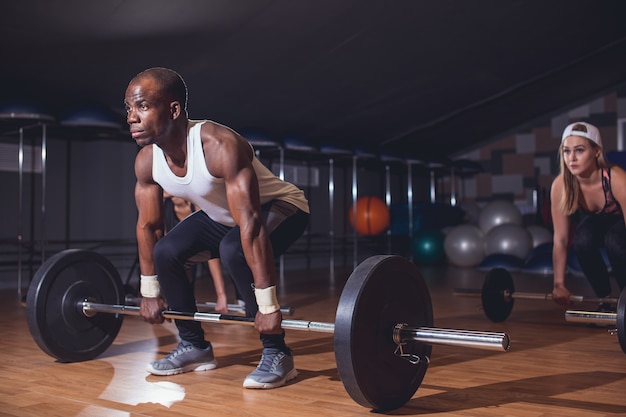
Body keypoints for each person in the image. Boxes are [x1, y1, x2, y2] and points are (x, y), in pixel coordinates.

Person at [125, 67, 310, 388]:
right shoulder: (146, 161)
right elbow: (149, 226)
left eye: (142, 106)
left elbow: (251, 223)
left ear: (173, 109)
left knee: (234, 250)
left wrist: (267, 307)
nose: (131, 117)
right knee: (166, 250)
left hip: (283, 208)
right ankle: (193, 345)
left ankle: (277, 352)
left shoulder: (218, 144)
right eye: (128, 108)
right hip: (223, 215)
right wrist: (149, 291)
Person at [550, 121, 626, 312]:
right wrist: (559, 284)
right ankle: (605, 301)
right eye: (567, 151)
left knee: (615, 240)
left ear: (596, 152)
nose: (572, 158)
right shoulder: (561, 185)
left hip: (621, 221)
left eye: (580, 150)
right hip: (601, 220)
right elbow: (560, 239)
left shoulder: (616, 178)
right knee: (582, 239)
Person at [162, 191, 232, 314]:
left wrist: (221, 296)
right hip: (185, 252)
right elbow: (165, 253)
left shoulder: (195, 205)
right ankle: (182, 305)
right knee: (172, 259)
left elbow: (212, 258)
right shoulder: (165, 207)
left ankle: (236, 297)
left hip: (207, 245)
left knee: (227, 256)